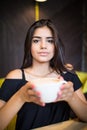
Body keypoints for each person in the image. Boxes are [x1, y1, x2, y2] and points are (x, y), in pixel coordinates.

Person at [0, 19, 87, 130]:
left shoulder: (68, 76)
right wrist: (20, 97)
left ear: (56, 45)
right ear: (29, 45)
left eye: (50, 41)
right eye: (36, 41)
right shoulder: (15, 77)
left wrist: (71, 97)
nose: (43, 46)